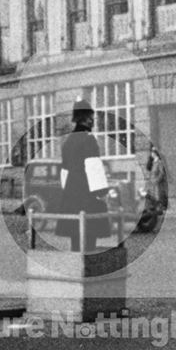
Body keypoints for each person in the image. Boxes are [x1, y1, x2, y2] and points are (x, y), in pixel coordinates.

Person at [54, 99, 111, 252]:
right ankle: (88, 272)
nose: (93, 120)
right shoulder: (88, 139)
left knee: (75, 237)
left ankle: (76, 270)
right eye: (91, 117)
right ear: (86, 118)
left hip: (71, 193)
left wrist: (67, 192)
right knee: (89, 236)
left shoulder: (68, 141)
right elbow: (93, 167)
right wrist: (101, 193)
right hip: (87, 193)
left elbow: (64, 171)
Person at [146, 144, 169, 213]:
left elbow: (162, 173)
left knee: (159, 196)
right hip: (153, 183)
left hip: (158, 184)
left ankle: (161, 209)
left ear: (155, 154)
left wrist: (157, 180)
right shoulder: (154, 163)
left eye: (152, 153)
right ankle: (155, 209)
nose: (151, 154)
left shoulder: (159, 162)